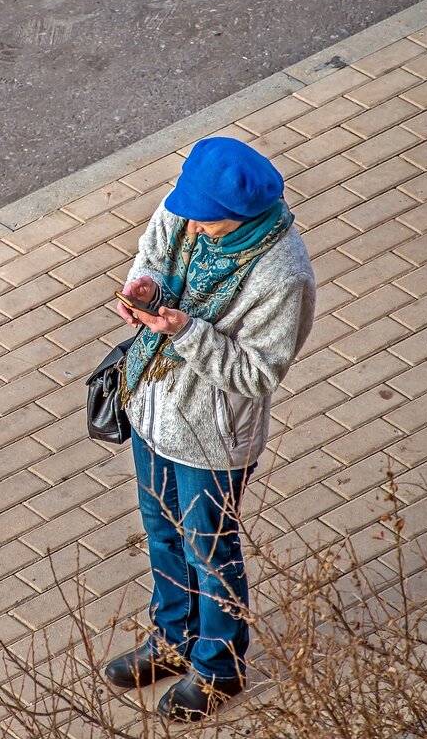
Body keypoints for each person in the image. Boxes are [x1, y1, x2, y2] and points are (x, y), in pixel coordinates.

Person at [102, 136, 316, 721]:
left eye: (206, 222)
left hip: (213, 440)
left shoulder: (282, 276)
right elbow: (153, 252)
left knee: (209, 550)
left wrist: (184, 331)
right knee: (161, 532)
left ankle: (219, 669)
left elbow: (256, 372)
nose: (191, 228)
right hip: (153, 410)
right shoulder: (185, 207)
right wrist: (143, 288)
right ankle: (171, 640)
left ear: (240, 216)